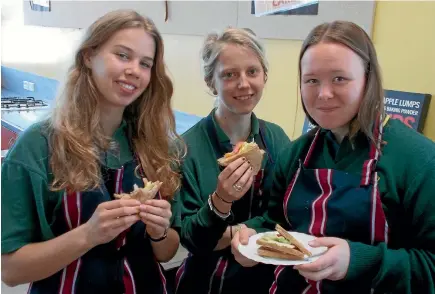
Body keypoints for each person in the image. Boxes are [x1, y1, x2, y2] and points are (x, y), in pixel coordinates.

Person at [231, 20, 435, 294]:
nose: (324, 94)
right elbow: (275, 222)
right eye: (312, 80)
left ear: (368, 79)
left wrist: (357, 260)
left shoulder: (418, 160)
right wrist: (251, 235)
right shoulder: (295, 154)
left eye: (339, 78)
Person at [1, 10, 185, 294]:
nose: (134, 70)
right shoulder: (38, 147)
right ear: (89, 56)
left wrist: (159, 231)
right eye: (123, 55)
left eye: (145, 63)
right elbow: (11, 271)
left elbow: (166, 252)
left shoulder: (157, 146)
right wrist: (88, 235)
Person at [176, 28, 291, 294]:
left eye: (252, 71)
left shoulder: (277, 139)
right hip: (205, 283)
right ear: (210, 82)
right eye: (229, 75)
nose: (243, 84)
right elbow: (192, 238)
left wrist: (235, 231)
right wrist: (221, 201)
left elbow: (286, 216)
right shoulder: (183, 150)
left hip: (268, 282)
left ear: (265, 75)